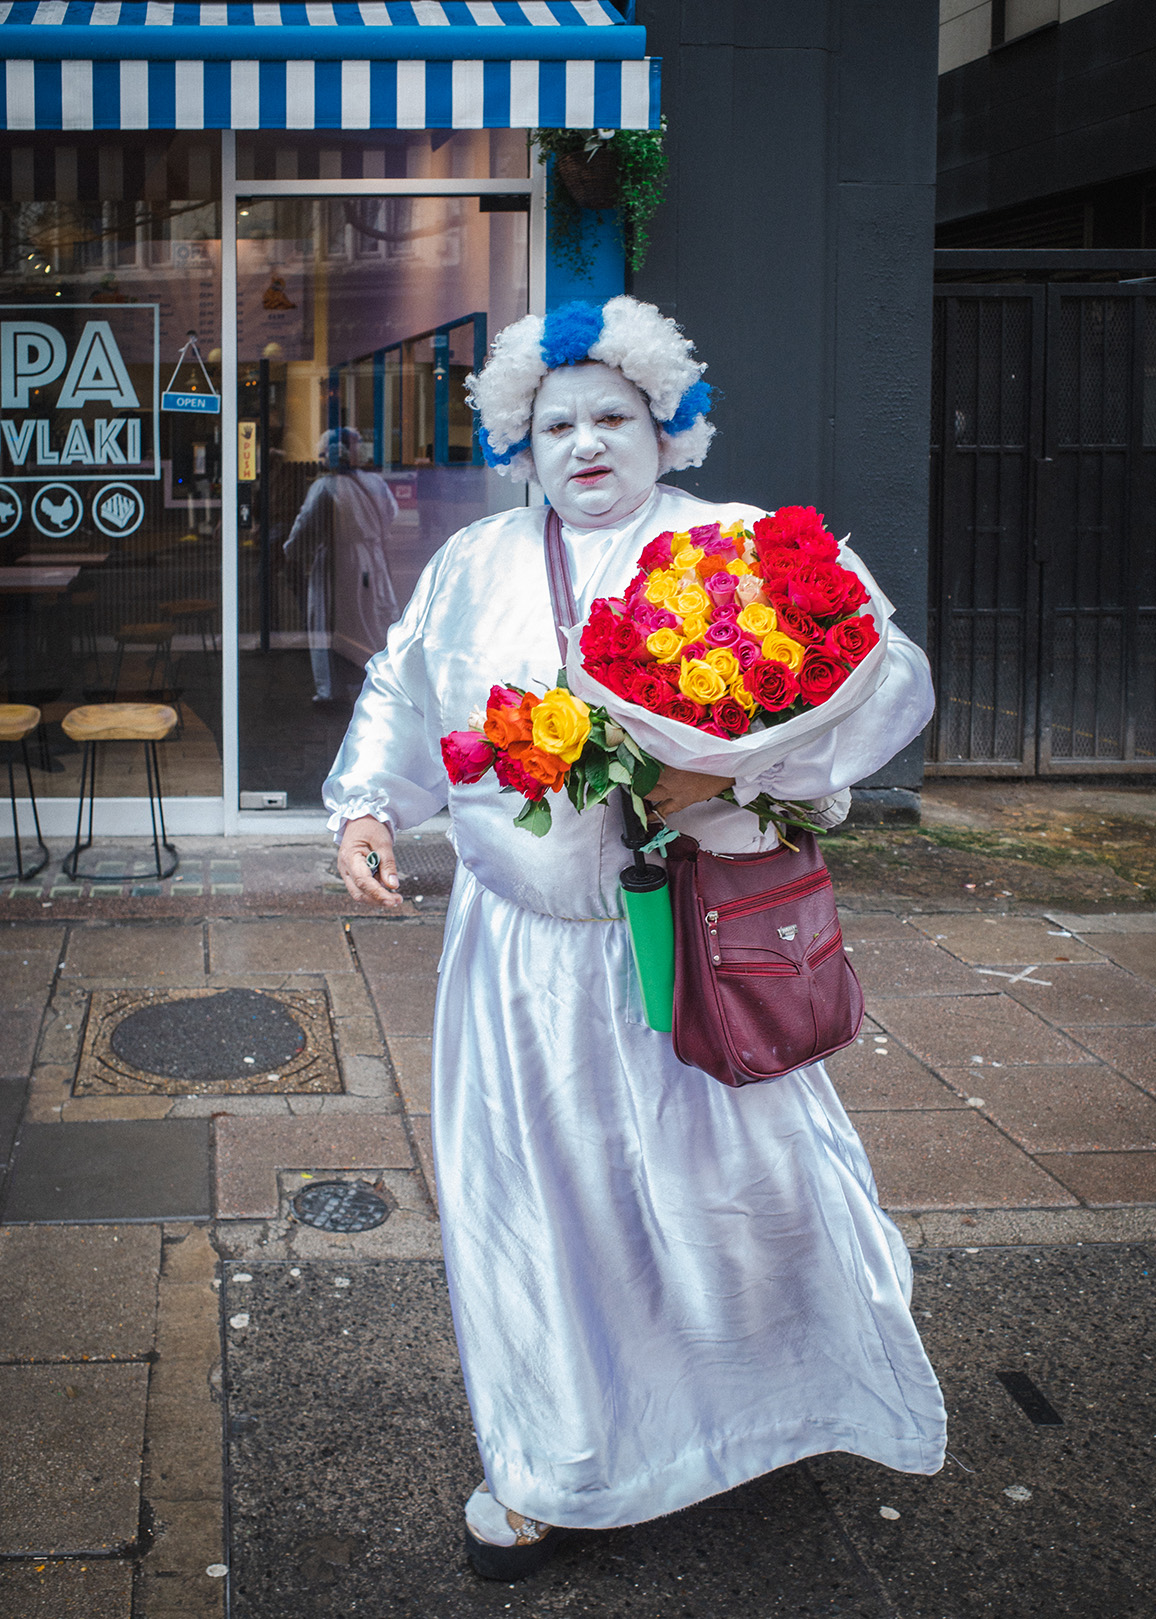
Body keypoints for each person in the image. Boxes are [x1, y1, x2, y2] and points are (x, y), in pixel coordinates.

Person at [325, 297, 947, 1581]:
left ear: (668, 428)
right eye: (556, 423)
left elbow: (878, 674)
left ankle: (778, 1398)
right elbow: (403, 680)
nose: (585, 443)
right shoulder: (475, 561)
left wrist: (722, 777)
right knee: (538, 1207)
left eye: (613, 416)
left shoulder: (740, 547)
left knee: (739, 1189)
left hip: (686, 948)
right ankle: (558, 1457)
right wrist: (367, 808)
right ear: (522, 442)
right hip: (517, 962)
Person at [283, 426, 400, 702]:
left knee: (326, 622)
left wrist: (290, 551)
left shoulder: (324, 487)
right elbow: (391, 513)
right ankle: (376, 685)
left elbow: (304, 524)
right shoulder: (375, 482)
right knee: (372, 622)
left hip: (337, 560)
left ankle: (329, 690)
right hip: (373, 559)